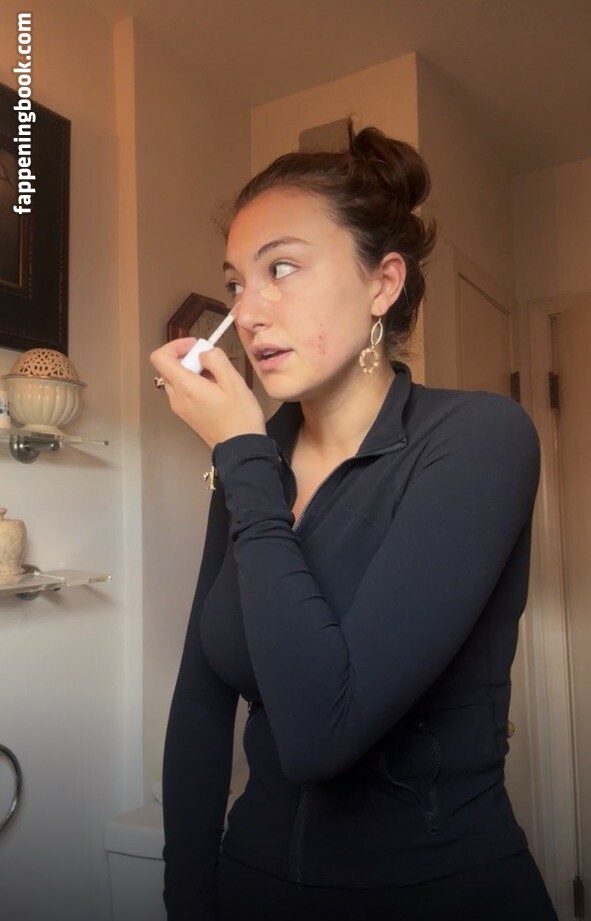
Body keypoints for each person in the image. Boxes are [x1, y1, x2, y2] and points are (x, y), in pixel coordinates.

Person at [150, 121, 557, 921]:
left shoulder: (478, 438)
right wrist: (188, 899)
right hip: (253, 886)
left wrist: (241, 454)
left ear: (383, 283)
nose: (248, 311)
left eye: (281, 268)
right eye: (235, 282)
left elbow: (320, 731)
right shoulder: (250, 465)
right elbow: (200, 700)